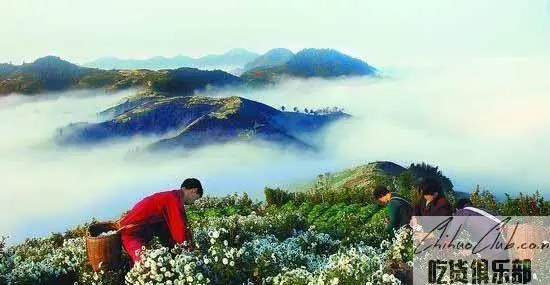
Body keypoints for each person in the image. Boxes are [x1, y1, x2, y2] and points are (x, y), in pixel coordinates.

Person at [119, 178, 203, 263]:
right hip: (131, 233)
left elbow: (168, 229)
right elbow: (179, 229)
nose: (193, 202)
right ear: (194, 191)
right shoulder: (173, 199)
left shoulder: (171, 196)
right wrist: (189, 251)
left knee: (148, 264)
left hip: (136, 231)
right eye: (196, 199)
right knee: (144, 264)